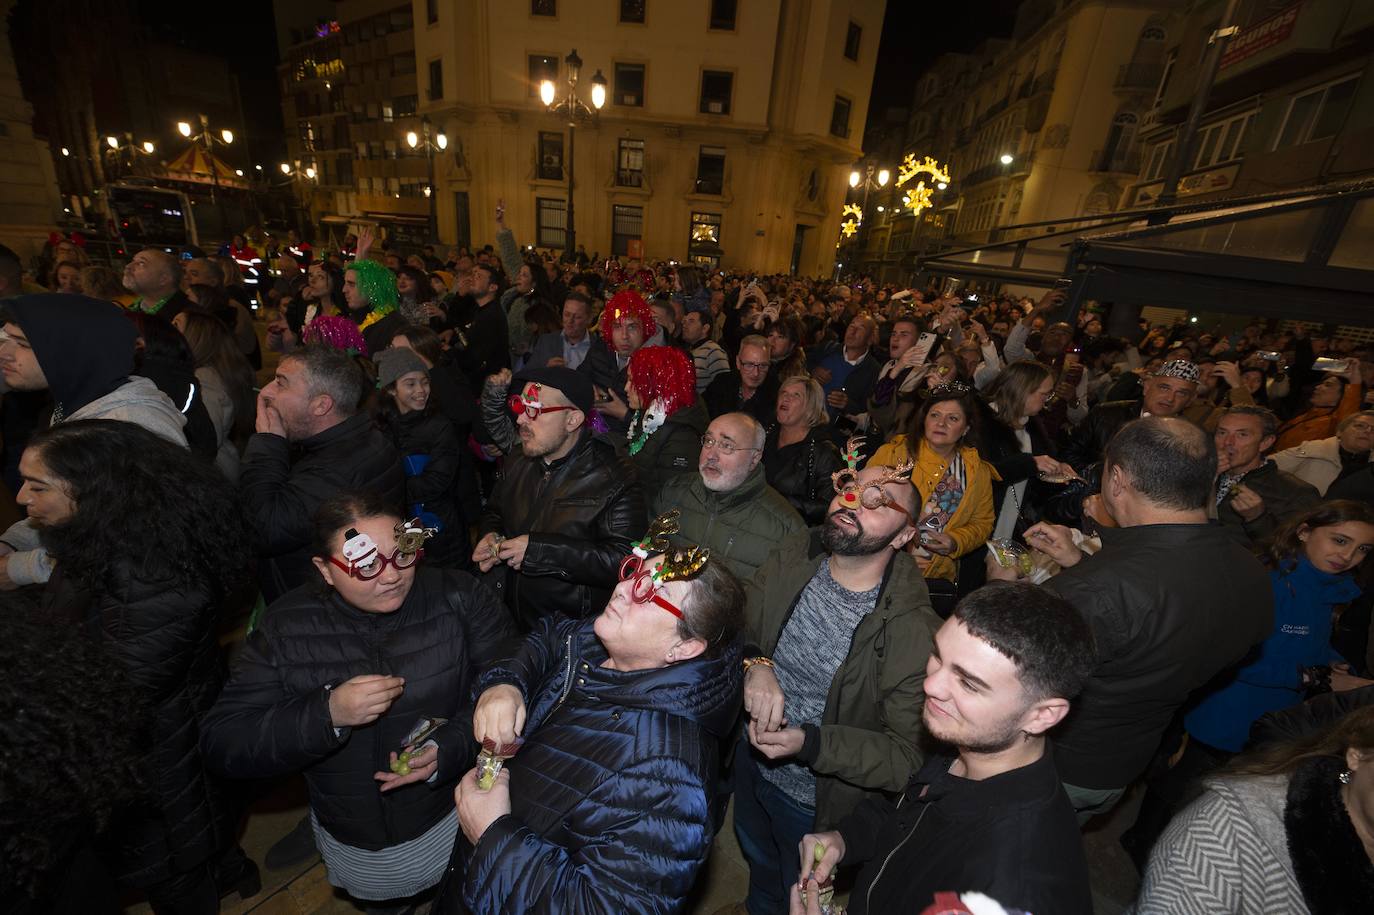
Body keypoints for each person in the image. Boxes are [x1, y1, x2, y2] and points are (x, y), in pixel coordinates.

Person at [202, 492, 514, 912]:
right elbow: (225, 740)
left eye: (402, 553)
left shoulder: (459, 596)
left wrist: (448, 748)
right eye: (365, 564)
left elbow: (505, 680)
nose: (390, 576)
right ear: (324, 571)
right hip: (359, 842)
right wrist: (327, 713)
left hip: (449, 819)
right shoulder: (287, 627)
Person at [441, 538, 746, 915]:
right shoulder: (598, 643)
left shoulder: (668, 779)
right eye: (635, 572)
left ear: (682, 649)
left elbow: (599, 907)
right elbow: (548, 637)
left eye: (651, 591)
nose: (621, 589)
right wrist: (505, 682)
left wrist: (492, 836)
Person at [25, 420, 258, 912]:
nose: (23, 496)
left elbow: (119, 685)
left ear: (94, 491)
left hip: (162, 756)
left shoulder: (152, 571)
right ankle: (236, 871)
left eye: (38, 485)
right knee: (197, 841)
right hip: (168, 743)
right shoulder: (109, 532)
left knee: (175, 874)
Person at [793, 582, 1096, 915]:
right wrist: (847, 839)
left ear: (1042, 716)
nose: (930, 685)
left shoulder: (1013, 892)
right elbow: (908, 813)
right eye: (937, 655)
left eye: (967, 683)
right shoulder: (970, 740)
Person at [1029, 417, 1274, 821]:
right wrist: (1081, 564)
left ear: (1118, 479)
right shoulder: (1251, 571)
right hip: (1123, 763)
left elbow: (1014, 685)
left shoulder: (1099, 590)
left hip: (1053, 765)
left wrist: (997, 591)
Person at [730, 459, 938, 915]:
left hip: (812, 801)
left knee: (793, 888)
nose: (850, 501)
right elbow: (744, 617)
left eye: (877, 501)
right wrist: (757, 663)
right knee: (758, 862)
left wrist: (809, 742)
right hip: (747, 762)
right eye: (851, 485)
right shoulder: (799, 549)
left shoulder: (912, 633)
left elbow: (906, 759)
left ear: (905, 536)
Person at [0, 294, 190, 589]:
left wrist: (25, 567)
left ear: (70, 351)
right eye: (4, 339)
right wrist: (15, 542)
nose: (4, 353)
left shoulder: (133, 426)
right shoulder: (73, 403)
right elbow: (79, 510)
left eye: (22, 344)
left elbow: (140, 543)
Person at [1133, 706, 1374, 914]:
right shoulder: (1225, 830)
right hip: (1220, 723)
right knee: (1167, 793)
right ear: (1358, 754)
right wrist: (1304, 675)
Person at [473, 366, 646, 630]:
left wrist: (539, 551)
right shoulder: (518, 459)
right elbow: (495, 511)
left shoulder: (615, 476)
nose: (520, 420)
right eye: (520, 406)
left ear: (572, 420)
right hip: (508, 617)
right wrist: (490, 534)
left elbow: (625, 561)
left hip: (569, 631)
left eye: (534, 410)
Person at [240, 345, 406, 603]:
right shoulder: (359, 436)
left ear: (321, 405)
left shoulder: (335, 471)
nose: (267, 392)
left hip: (315, 608)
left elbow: (261, 529)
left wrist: (267, 442)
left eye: (281, 384)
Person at [654, 411, 805, 583]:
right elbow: (649, 555)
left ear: (754, 458)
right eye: (709, 441)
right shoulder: (673, 491)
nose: (711, 455)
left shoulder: (786, 530)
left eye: (727, 446)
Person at [870, 383, 995, 587]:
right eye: (935, 415)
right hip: (881, 567)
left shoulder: (976, 472)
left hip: (933, 578)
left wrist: (956, 541)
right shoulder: (894, 454)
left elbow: (983, 522)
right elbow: (863, 500)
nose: (941, 423)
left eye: (953, 418)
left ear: (966, 428)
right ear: (924, 419)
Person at [373, 347, 467, 568]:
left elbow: (438, 480)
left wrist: (391, 493)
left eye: (424, 382)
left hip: (440, 527)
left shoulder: (439, 426)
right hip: (396, 529)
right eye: (410, 383)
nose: (421, 390)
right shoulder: (379, 428)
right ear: (391, 389)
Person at [980, 360, 1074, 541]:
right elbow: (982, 473)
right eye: (1045, 394)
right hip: (979, 524)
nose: (1049, 399)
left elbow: (1034, 482)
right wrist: (1031, 463)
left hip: (1011, 523)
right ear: (1023, 391)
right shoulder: (983, 422)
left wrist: (1057, 469)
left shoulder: (1031, 425)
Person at [1062, 359, 1200, 471]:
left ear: (1190, 400)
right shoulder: (1105, 414)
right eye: (1164, 387)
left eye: (1182, 393)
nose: (1170, 398)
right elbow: (1068, 454)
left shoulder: (1188, 440)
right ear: (1146, 387)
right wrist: (1099, 483)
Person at [1214, 405, 1321, 548]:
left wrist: (1257, 518)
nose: (1227, 442)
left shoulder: (1295, 492)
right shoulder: (1200, 473)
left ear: (1265, 443)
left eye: (1242, 434)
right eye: (1222, 432)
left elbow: (1294, 551)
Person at [175, 310, 257, 482]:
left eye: (176, 325)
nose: (168, 328)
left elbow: (204, 438)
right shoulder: (206, 375)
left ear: (197, 337)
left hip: (210, 475)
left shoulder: (204, 379)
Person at [621, 345, 709, 497]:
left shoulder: (682, 435)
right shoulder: (646, 414)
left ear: (655, 384)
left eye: (632, 381)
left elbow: (672, 498)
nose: (626, 388)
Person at [763, 376, 845, 526]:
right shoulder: (765, 435)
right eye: (784, 393)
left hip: (793, 530)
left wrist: (778, 500)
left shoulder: (823, 452)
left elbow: (831, 506)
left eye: (796, 395)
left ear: (810, 407)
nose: (786, 398)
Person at [1272, 409, 1374, 495]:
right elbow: (1264, 468)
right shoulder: (1312, 451)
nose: (1367, 431)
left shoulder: (1371, 466)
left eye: (1373, 429)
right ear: (1340, 432)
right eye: (1360, 426)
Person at [865, 314, 928, 443]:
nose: (895, 339)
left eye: (904, 335)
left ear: (919, 342)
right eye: (894, 334)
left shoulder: (926, 374)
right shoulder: (889, 366)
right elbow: (876, 407)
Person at [810, 313, 880, 425]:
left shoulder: (874, 371)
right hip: (804, 420)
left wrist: (848, 405)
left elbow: (870, 414)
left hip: (831, 434)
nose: (853, 331)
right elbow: (802, 362)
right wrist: (813, 371)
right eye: (851, 326)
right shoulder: (827, 349)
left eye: (860, 328)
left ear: (870, 339)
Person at [1273, 368, 1363, 451]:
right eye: (1321, 383)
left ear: (1344, 395)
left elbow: (1348, 411)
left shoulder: (1335, 421)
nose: (1317, 387)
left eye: (1328, 385)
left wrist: (1354, 382)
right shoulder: (1311, 413)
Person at [703, 334, 779, 427]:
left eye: (763, 366)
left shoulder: (777, 395)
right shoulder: (721, 383)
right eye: (749, 365)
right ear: (738, 362)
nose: (756, 373)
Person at [344, 258, 406, 355]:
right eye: (345, 283)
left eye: (351, 284)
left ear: (372, 288)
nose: (344, 290)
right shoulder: (352, 318)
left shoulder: (395, 325)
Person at [524, 291, 595, 370]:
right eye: (567, 315)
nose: (570, 321)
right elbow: (527, 374)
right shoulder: (546, 341)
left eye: (577, 317)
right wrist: (546, 369)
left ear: (589, 319)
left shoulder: (599, 348)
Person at [124, 247, 193, 320]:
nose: (128, 266)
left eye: (141, 263)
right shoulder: (129, 312)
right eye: (133, 261)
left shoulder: (190, 319)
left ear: (163, 279)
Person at [683, 305, 729, 392]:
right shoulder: (688, 350)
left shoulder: (713, 351)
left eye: (691, 321)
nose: (685, 325)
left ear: (705, 328)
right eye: (684, 321)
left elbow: (724, 385)